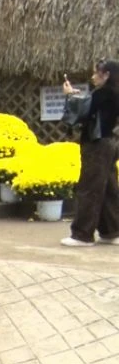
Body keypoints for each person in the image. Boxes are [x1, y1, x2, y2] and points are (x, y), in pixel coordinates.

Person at [60, 60, 119, 247]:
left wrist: (70, 95)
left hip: (97, 144)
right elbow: (90, 106)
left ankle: (82, 234)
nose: (93, 77)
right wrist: (76, 96)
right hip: (110, 143)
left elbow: (83, 111)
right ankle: (111, 231)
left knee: (89, 187)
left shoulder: (104, 92)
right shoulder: (113, 92)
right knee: (108, 188)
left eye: (96, 73)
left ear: (106, 74)